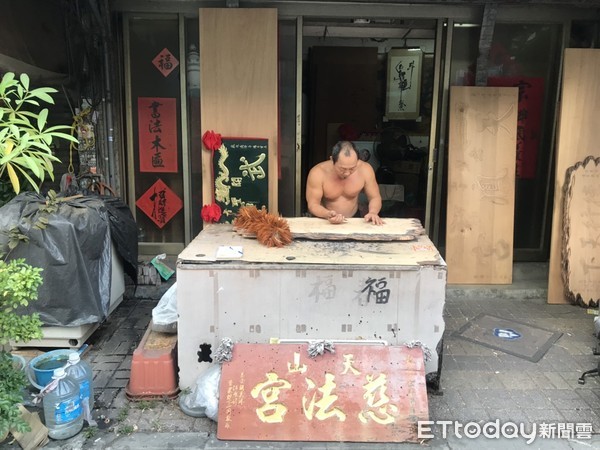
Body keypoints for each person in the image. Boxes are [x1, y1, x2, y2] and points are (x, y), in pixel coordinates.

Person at [306, 140, 384, 225]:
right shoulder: (318, 173)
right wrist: (327, 214)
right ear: (332, 160)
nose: (347, 173)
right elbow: (313, 204)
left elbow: (374, 197)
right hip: (324, 220)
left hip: (353, 219)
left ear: (358, 161)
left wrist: (373, 212)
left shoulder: (365, 170)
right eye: (342, 169)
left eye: (352, 169)